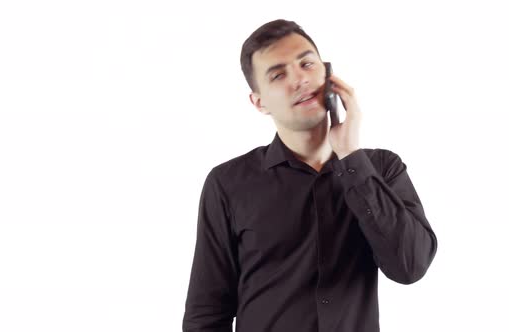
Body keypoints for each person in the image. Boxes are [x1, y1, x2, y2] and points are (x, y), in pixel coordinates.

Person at [182, 19, 438, 332]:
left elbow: (410, 267)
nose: (300, 79)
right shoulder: (228, 183)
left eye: (307, 63)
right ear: (259, 102)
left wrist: (351, 158)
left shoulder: (381, 168)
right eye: (278, 75)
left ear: (329, 74)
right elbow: (206, 315)